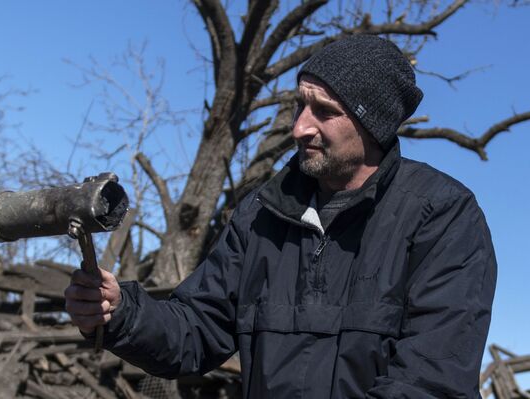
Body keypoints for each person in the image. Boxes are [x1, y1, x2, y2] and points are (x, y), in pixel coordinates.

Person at [64, 35, 497, 398]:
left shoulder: (441, 217)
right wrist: (121, 313)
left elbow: (431, 382)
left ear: (374, 127)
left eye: (324, 111)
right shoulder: (261, 214)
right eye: (299, 106)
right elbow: (196, 329)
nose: (299, 127)